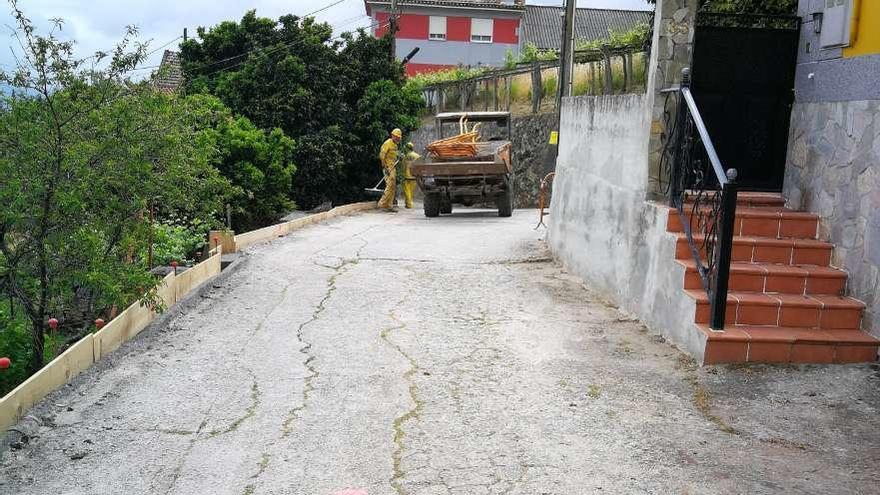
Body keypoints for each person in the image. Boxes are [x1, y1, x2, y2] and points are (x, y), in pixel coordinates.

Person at [378, 128, 402, 211]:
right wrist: (385, 167)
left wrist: (399, 157)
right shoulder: (387, 143)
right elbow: (382, 156)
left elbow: (394, 156)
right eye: (397, 137)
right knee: (390, 185)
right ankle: (382, 203)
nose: (398, 138)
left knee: (393, 186)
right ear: (393, 136)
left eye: (399, 137)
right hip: (387, 167)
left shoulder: (395, 145)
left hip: (392, 167)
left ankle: (389, 205)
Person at [400, 142, 420, 209]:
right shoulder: (417, 156)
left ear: (407, 148)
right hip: (414, 177)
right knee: (411, 192)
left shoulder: (405, 156)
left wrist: (402, 174)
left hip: (407, 176)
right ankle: (407, 203)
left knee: (407, 191)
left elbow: (403, 166)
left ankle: (409, 204)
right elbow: (420, 165)